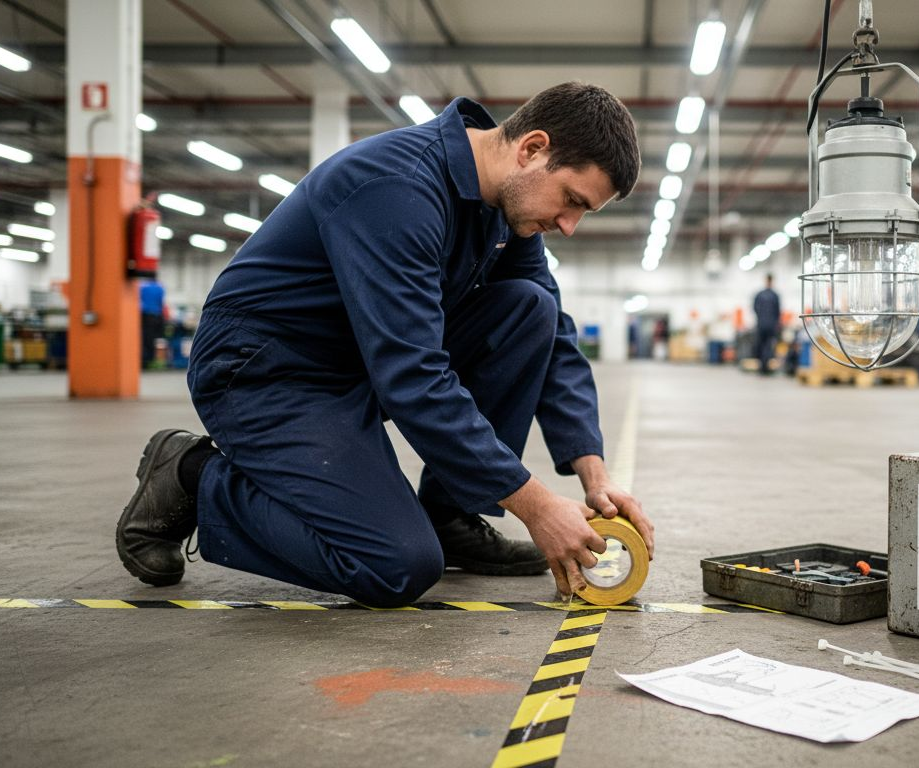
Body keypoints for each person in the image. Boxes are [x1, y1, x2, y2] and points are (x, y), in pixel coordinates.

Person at [115, 83, 656, 607]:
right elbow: (413, 376)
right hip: (268, 368)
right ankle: (190, 475)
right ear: (532, 149)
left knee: (529, 310)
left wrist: (596, 476)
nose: (568, 225)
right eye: (571, 200)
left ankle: (451, 515)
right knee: (394, 565)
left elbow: (554, 337)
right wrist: (535, 506)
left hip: (354, 359)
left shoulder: (505, 209)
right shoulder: (396, 186)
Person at [752, 274, 780, 375]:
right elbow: (778, 312)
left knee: (761, 345)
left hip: (761, 324)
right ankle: (765, 366)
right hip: (770, 324)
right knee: (768, 345)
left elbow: (754, 308)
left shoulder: (759, 294)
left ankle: (762, 366)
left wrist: (760, 318)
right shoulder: (775, 295)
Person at [139, 279, 166, 369]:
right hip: (157, 315)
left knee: (144, 338)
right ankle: (155, 360)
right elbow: (161, 302)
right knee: (156, 339)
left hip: (144, 315)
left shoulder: (142, 286)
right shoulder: (160, 287)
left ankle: (144, 360)